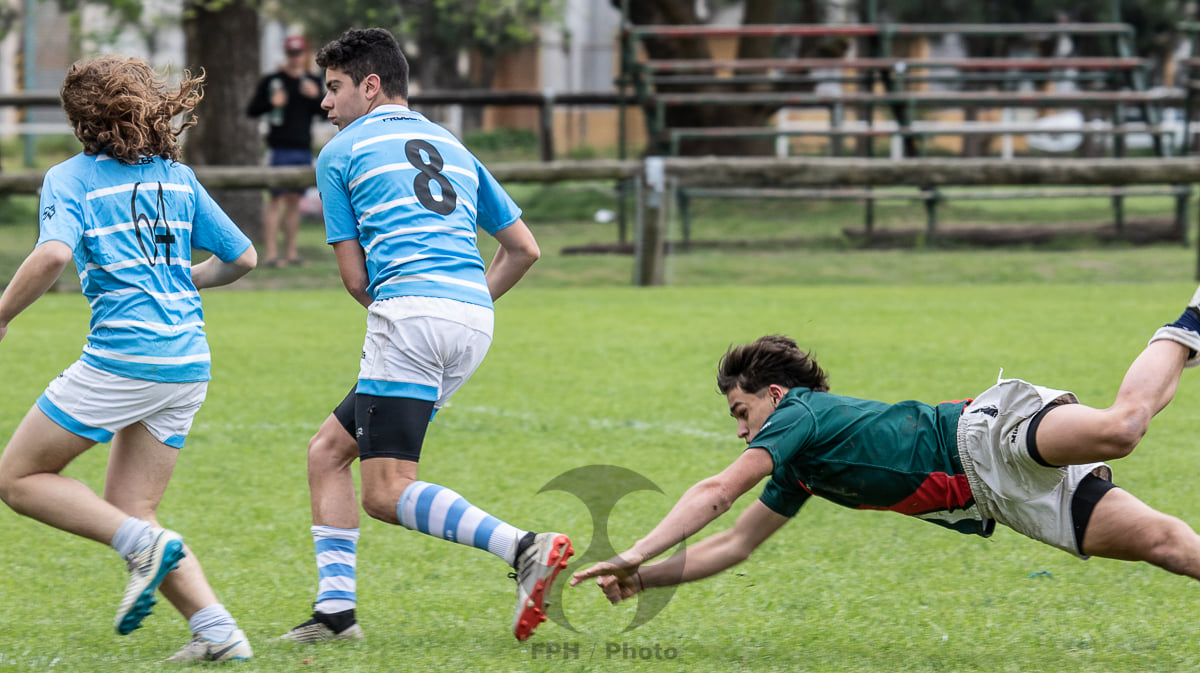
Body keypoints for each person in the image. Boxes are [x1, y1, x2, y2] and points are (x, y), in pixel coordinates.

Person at [571, 294, 1200, 619]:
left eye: (742, 413)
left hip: (984, 434)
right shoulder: (799, 463)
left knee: (1122, 429)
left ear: (776, 395)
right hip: (999, 498)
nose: (741, 433)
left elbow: (718, 490)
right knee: (1171, 548)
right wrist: (638, 579)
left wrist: (633, 550)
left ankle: (1192, 317)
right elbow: (734, 545)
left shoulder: (798, 415)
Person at [278, 27, 572, 644]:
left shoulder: (340, 152)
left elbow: (356, 279)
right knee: (328, 452)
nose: (325, 105)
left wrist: (414, 303)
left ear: (371, 85)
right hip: (472, 319)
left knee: (386, 492)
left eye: (333, 89)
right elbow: (523, 249)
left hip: (409, 316)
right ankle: (335, 616)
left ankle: (524, 548)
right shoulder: (453, 145)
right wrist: (462, 300)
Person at [0, 56, 258, 662]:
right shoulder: (177, 176)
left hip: (125, 359)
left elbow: (51, 256)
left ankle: (142, 546)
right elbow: (243, 258)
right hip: (188, 362)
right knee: (132, 508)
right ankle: (218, 632)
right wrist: (182, 278)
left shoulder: (72, 179)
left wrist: (3, 312)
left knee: (17, 478)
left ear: (78, 119)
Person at [245, 34, 325, 267]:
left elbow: (324, 114)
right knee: (275, 200)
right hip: (278, 148)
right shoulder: (273, 81)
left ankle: (291, 253)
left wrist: (316, 97)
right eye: (291, 53)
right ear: (286, 54)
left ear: (305, 54)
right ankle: (271, 254)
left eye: (299, 53)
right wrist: (273, 103)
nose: (295, 57)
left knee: (294, 202)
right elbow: (252, 110)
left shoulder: (311, 81)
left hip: (302, 147)